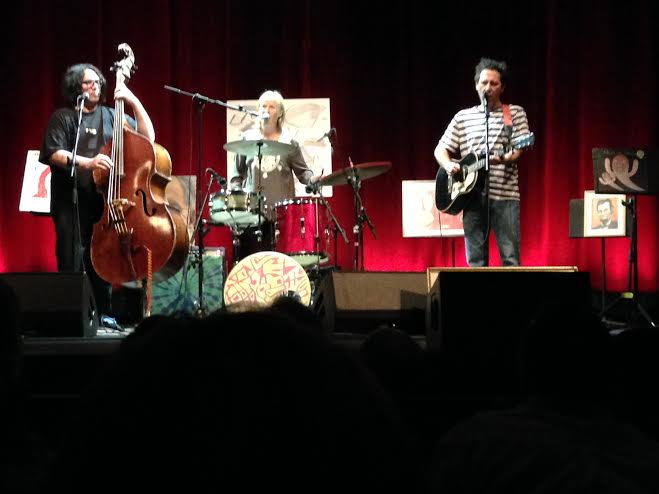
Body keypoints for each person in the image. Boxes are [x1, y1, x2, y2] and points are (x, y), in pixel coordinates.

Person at [39, 63, 155, 329]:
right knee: (71, 257)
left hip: (103, 201)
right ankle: (71, 315)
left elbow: (148, 136)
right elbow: (54, 153)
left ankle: (104, 313)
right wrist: (89, 163)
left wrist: (132, 100)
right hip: (69, 202)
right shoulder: (64, 117)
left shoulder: (112, 116)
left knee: (103, 257)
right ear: (76, 87)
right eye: (88, 83)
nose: (96, 87)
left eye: (98, 82)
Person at [434, 57, 530, 266]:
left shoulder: (513, 113)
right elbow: (440, 149)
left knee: (511, 259)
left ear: (502, 87)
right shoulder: (462, 117)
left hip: (505, 197)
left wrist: (503, 158)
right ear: (476, 85)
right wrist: (449, 165)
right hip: (472, 198)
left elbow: (518, 150)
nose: (488, 88)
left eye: (494, 83)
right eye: (484, 82)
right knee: (475, 262)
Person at [233, 90, 318, 260]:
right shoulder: (247, 139)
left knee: (279, 266)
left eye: (272, 107)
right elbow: (236, 177)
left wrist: (313, 180)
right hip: (252, 217)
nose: (266, 110)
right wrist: (236, 200)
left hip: (281, 218)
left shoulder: (289, 142)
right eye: (263, 106)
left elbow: (303, 173)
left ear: (280, 113)